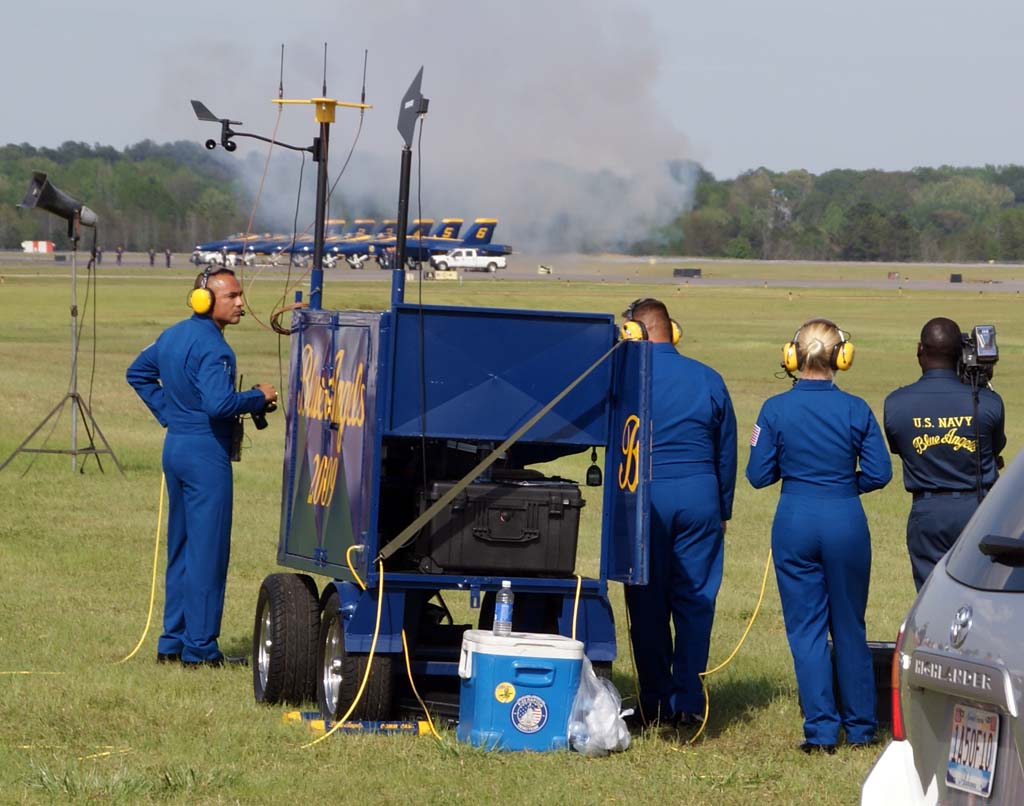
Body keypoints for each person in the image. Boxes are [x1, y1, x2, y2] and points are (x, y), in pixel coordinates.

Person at [746, 318, 891, 753]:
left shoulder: (774, 409)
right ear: (841, 358)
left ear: (792, 357)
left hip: (795, 519)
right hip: (845, 518)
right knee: (849, 626)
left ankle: (822, 731)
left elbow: (757, 475)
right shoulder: (856, 409)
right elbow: (880, 472)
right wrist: (843, 485)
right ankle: (861, 728)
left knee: (806, 630)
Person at [126, 267, 277, 666]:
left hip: (176, 447)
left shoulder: (172, 335)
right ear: (205, 300)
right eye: (232, 296)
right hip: (205, 452)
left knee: (181, 547)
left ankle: (172, 643)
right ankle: (200, 650)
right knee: (208, 552)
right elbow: (219, 404)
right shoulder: (216, 349)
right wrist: (259, 397)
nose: (241, 303)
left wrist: (170, 415)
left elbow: (137, 372)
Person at [620, 298, 737, 727]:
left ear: (637, 332)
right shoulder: (709, 377)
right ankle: (688, 703)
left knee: (646, 602)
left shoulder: (626, 377)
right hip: (700, 495)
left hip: (646, 496)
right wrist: (722, 507)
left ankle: (655, 702)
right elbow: (726, 451)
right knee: (695, 601)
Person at [884, 317, 1005, 591]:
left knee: (930, 594)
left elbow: (901, 449)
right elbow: (995, 448)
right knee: (981, 591)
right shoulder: (988, 402)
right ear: (961, 354)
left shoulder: (896, 403)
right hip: (977, 508)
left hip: (928, 512)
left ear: (920, 350)